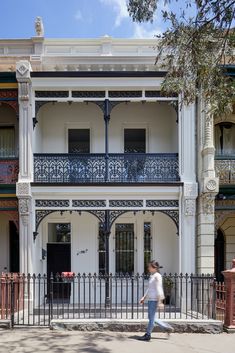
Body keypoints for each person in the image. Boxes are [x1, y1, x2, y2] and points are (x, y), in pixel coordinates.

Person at [138, 260, 165, 341]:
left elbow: (159, 288)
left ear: (154, 267)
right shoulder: (152, 276)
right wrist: (144, 297)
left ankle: (148, 335)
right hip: (150, 300)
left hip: (154, 300)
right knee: (151, 318)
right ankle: (166, 327)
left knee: (151, 319)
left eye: (149, 266)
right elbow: (149, 288)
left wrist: (160, 301)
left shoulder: (158, 276)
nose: (148, 268)